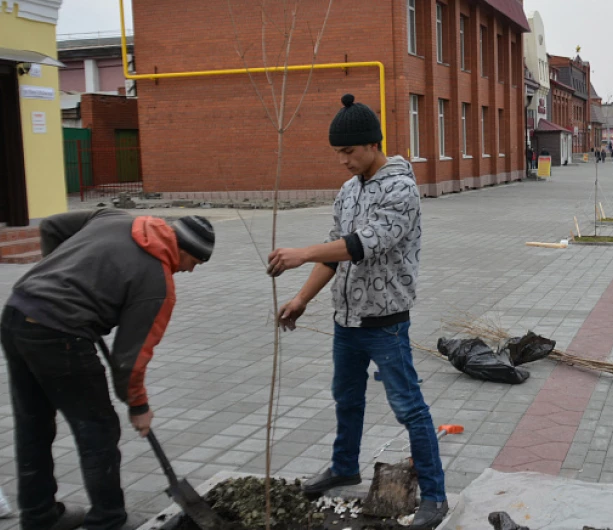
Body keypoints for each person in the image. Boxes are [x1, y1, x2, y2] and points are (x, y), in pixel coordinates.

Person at [267, 94, 447, 529]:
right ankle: (344, 466)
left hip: (385, 323)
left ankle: (436, 495)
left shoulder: (401, 189)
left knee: (409, 408)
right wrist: (301, 298)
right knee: (346, 398)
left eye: (348, 151)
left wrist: (300, 253)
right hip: (345, 321)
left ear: (371, 144)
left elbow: (362, 245)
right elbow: (335, 256)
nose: (342, 161)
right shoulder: (348, 191)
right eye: (337, 153)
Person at [1, 210, 214, 530]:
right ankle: (108, 520)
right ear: (184, 250)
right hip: (60, 335)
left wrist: (60, 275)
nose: (189, 270)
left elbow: (51, 227)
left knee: (33, 424)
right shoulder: (157, 282)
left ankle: (39, 515)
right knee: (98, 430)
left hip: (18, 311)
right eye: (194, 263)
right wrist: (138, 406)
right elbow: (130, 359)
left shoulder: (117, 217)